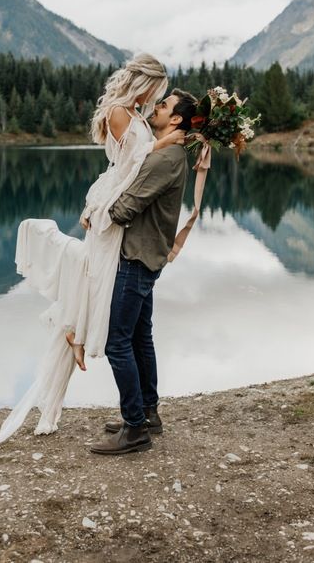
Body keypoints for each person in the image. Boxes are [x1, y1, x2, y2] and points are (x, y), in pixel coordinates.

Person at [0, 53, 186, 452]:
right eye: (159, 91)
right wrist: (167, 141)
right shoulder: (121, 112)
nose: (159, 100)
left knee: (126, 330)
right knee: (114, 309)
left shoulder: (136, 117)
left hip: (125, 229)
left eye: (164, 99)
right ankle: (134, 409)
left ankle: (137, 419)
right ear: (146, 83)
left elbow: (142, 164)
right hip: (113, 216)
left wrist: (166, 141)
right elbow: (132, 168)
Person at [89, 88, 197, 455]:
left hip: (136, 258)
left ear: (177, 119)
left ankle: (135, 428)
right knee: (138, 336)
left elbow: (124, 208)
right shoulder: (170, 152)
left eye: (164, 105)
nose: (156, 107)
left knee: (117, 341)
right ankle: (147, 413)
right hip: (147, 256)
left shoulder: (165, 157)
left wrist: (97, 209)